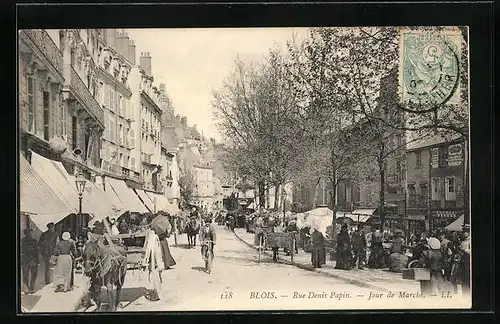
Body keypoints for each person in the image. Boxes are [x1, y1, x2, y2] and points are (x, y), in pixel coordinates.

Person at [21, 228, 39, 294]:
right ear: (27, 233)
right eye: (30, 232)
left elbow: (37, 251)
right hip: (31, 260)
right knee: (32, 274)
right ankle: (30, 288)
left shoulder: (22, 240)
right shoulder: (33, 241)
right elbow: (36, 251)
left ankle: (28, 288)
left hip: (27, 260)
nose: (31, 234)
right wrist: (38, 261)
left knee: (28, 275)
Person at [459, 224, 471, 296]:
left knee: (467, 278)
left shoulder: (470, 240)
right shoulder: (464, 240)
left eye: (465, 231)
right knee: (463, 278)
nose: (463, 233)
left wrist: (464, 250)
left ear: (468, 232)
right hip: (463, 260)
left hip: (468, 261)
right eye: (463, 231)